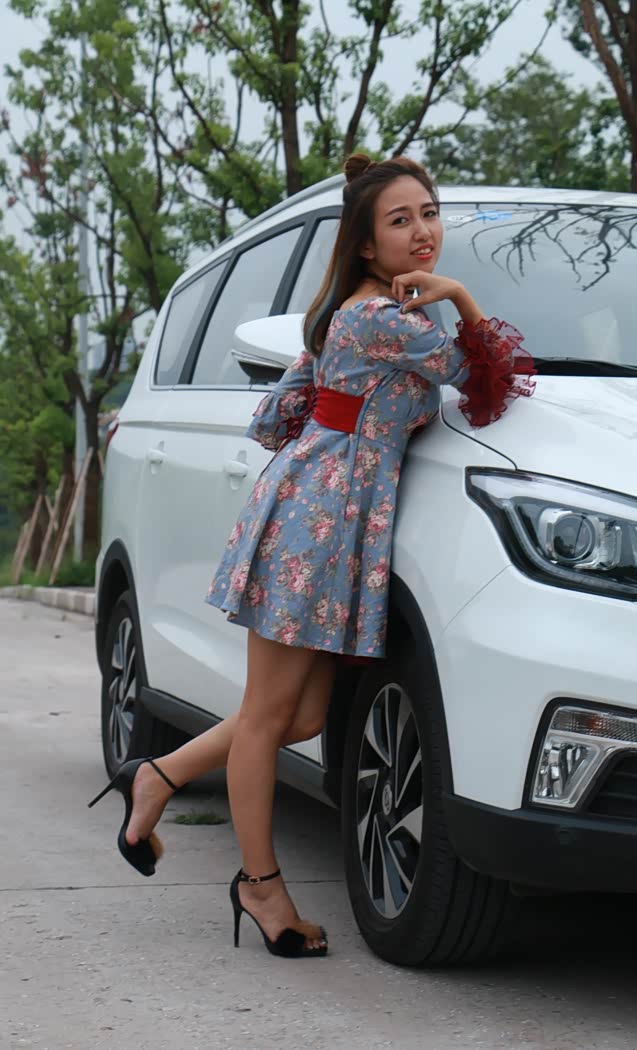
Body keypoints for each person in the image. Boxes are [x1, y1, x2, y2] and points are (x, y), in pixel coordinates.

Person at [88, 153, 536, 959]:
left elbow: (297, 403)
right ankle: (260, 887)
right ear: (364, 243)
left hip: (328, 518)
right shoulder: (382, 318)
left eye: (429, 213)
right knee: (270, 718)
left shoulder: (363, 311)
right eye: (399, 220)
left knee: (299, 716)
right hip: (317, 523)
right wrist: (460, 296)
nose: (422, 231)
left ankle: (158, 777)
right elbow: (489, 378)